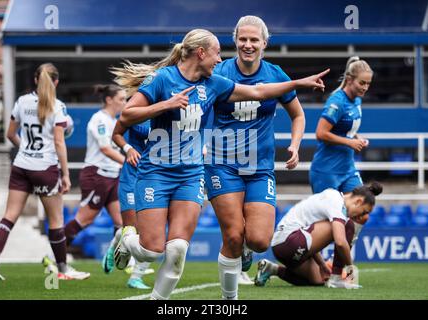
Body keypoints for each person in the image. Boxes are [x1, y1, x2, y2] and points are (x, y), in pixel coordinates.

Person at [110, 28, 328, 300]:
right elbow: (126, 115)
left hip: (191, 175)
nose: (219, 59)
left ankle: (159, 301)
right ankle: (126, 239)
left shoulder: (213, 83)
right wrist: (165, 105)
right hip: (156, 173)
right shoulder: (162, 79)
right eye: (216, 53)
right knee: (151, 250)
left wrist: (298, 83)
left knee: (177, 249)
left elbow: (258, 92)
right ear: (201, 53)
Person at [205, 16, 306, 293]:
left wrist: (295, 145)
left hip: (260, 167)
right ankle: (230, 299)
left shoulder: (275, 74)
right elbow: (198, 106)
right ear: (235, 40)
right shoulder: (218, 72)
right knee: (234, 235)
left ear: (264, 43)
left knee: (260, 240)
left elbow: (298, 115)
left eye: (254, 40)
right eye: (243, 39)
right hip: (221, 164)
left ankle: (248, 251)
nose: (248, 45)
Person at [0, 63, 88, 280]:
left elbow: (10, 134)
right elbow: (60, 143)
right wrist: (66, 175)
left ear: (34, 80)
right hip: (44, 169)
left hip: (21, 165)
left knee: (9, 216)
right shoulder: (57, 106)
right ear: (56, 82)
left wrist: (25, 149)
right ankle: (63, 270)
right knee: (56, 221)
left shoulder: (22, 102)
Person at [42, 84, 126, 278]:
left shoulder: (114, 121)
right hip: (97, 175)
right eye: (121, 99)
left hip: (112, 175)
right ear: (109, 100)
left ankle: (118, 258)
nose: (125, 102)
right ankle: (51, 255)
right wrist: (129, 160)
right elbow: (105, 149)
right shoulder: (100, 119)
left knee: (121, 222)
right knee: (84, 220)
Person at [309, 56, 373, 280]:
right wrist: (350, 142)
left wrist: (358, 138)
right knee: (323, 223)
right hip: (326, 170)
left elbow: (345, 131)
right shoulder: (337, 101)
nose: (365, 88)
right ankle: (317, 267)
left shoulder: (357, 101)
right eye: (361, 83)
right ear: (349, 79)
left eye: (368, 84)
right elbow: (320, 133)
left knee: (361, 214)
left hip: (347, 168)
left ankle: (338, 269)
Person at [254, 182, 383, 289]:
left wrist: (322, 265)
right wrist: (351, 270)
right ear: (359, 201)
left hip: (283, 246)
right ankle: (337, 278)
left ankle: (272, 269)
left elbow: (310, 236)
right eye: (364, 211)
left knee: (318, 280)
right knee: (347, 225)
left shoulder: (333, 199)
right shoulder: (336, 201)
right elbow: (340, 242)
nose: (360, 216)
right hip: (290, 241)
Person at [102, 119, 155, 289]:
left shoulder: (171, 111)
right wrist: (128, 149)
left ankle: (135, 277)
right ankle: (114, 247)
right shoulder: (136, 110)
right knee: (132, 227)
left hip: (157, 179)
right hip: (132, 177)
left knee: (153, 232)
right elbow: (116, 134)